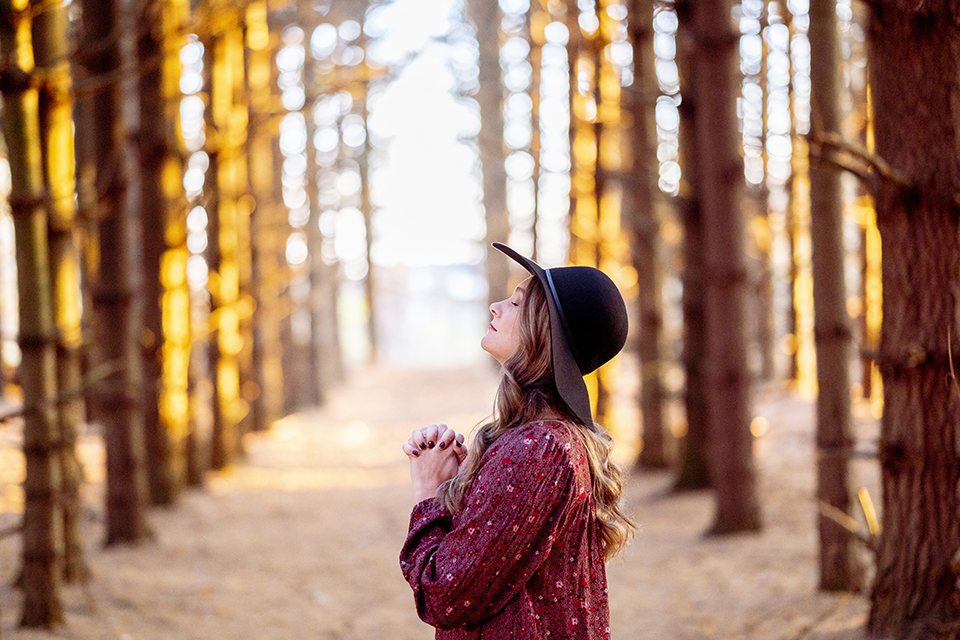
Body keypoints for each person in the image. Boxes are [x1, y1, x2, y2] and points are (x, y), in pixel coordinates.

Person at [399, 243, 634, 639]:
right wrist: (462, 490)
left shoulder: (537, 450)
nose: (496, 306)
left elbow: (445, 594)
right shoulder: (550, 442)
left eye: (517, 303)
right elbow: (499, 567)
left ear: (545, 331)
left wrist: (428, 494)